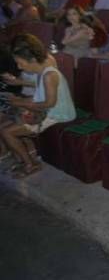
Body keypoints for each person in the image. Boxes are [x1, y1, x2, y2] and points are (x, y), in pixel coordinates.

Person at [0, 35, 76, 177]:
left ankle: (30, 164)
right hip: (48, 110)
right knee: (4, 125)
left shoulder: (49, 75)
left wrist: (20, 102)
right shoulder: (41, 71)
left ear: (33, 60)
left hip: (58, 114)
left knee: (7, 132)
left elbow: (49, 104)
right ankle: (25, 158)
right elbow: (40, 97)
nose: (19, 66)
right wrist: (20, 101)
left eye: (20, 63)